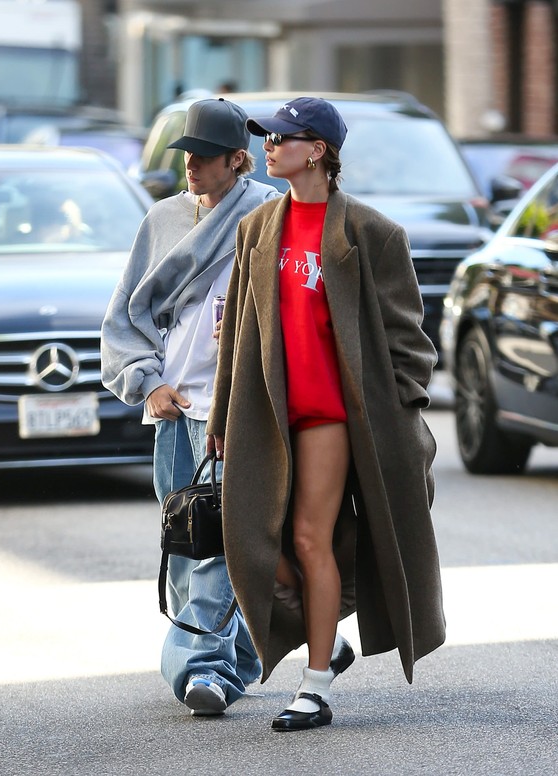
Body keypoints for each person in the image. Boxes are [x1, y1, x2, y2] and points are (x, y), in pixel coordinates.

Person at [206, 96, 446, 731]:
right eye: (268, 137)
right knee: (253, 537)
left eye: (281, 138)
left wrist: (394, 416)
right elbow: (238, 336)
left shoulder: (371, 233)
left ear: (317, 150)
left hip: (333, 416)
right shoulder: (256, 228)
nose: (268, 147)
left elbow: (410, 341)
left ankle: (313, 686)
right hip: (266, 414)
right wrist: (222, 418)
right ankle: (328, 639)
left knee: (311, 537)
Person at [100, 98, 280, 716]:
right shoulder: (162, 220)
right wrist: (145, 382)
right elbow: (126, 313)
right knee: (184, 538)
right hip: (173, 407)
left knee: (224, 539)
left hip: (238, 409)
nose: (193, 169)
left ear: (239, 159)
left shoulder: (269, 215)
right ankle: (246, 653)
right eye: (188, 157)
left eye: (206, 158)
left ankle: (199, 666)